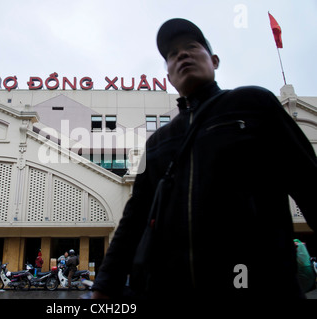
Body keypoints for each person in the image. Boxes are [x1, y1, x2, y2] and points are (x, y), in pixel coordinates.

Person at [92, 18, 317, 300]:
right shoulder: (159, 142)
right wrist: (102, 288)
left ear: (214, 61)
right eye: (172, 54)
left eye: (191, 47)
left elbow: (310, 183)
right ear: (170, 78)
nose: (182, 54)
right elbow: (133, 221)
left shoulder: (253, 104)